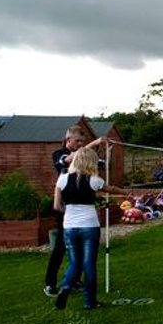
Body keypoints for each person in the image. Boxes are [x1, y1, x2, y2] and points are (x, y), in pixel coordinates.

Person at [53, 148, 130, 310]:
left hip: (70, 226)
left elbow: (57, 206)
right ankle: (90, 301)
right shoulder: (94, 180)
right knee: (89, 263)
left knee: (75, 261)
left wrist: (69, 212)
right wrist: (126, 192)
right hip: (89, 225)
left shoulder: (62, 179)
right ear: (90, 162)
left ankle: (66, 286)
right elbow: (112, 189)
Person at [43, 126, 107, 297]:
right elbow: (71, 159)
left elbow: (99, 164)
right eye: (77, 141)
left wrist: (100, 154)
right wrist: (94, 143)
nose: (80, 144)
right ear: (68, 139)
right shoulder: (59, 154)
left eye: (82, 142)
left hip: (80, 208)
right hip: (66, 208)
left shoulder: (83, 154)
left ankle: (75, 280)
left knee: (78, 248)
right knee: (60, 247)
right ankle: (50, 283)